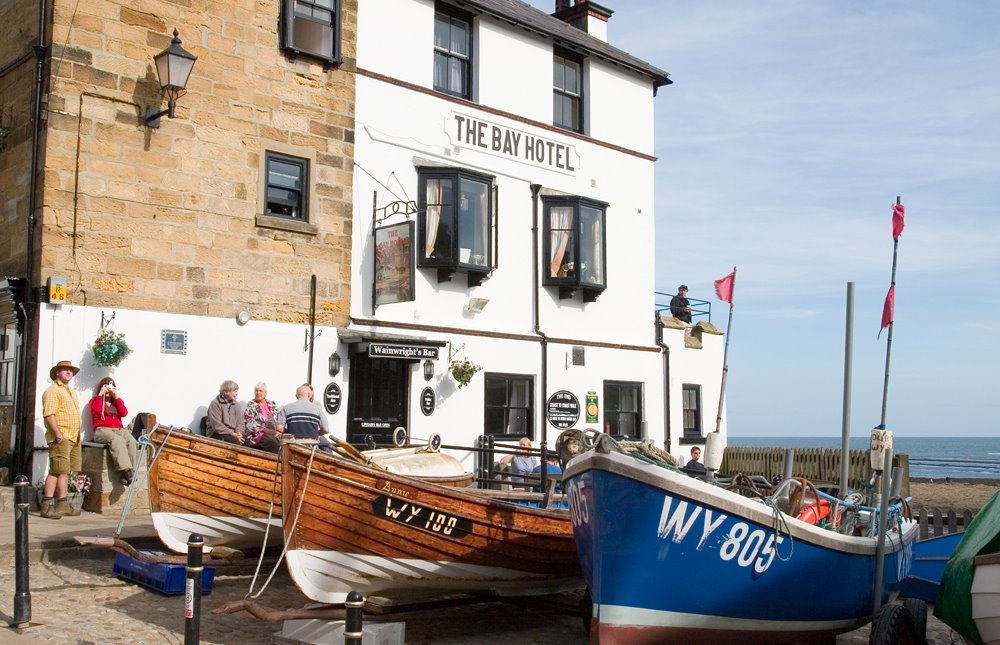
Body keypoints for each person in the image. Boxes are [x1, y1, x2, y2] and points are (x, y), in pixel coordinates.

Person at [40, 360, 83, 519]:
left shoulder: (70, 391)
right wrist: (58, 434)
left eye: (71, 370)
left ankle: (62, 503)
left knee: (65, 470)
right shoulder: (53, 391)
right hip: (61, 436)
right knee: (56, 470)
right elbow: (49, 415)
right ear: (57, 372)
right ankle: (47, 505)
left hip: (72, 436)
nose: (69, 372)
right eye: (65, 369)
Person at [89, 376, 139, 485]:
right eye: (105, 386)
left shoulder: (116, 402)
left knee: (131, 441)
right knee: (117, 440)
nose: (108, 389)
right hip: (102, 430)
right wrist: (100, 394)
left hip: (118, 429)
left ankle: (128, 473)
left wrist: (117, 397)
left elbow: (124, 413)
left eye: (110, 386)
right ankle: (127, 473)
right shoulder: (95, 400)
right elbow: (96, 410)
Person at [243, 382, 281, 454]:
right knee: (272, 442)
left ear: (265, 392)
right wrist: (266, 430)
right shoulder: (251, 405)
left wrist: (277, 429)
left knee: (283, 442)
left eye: (260, 391)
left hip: (273, 432)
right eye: (256, 391)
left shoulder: (271, 404)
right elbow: (250, 423)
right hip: (258, 434)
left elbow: (276, 419)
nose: (258, 393)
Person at [206, 380, 245, 445]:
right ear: (228, 391)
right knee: (234, 442)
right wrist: (232, 433)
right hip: (217, 433)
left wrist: (239, 433)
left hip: (233, 434)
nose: (237, 393)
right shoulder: (215, 403)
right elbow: (216, 425)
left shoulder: (237, 405)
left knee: (246, 442)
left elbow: (240, 423)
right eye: (235, 391)